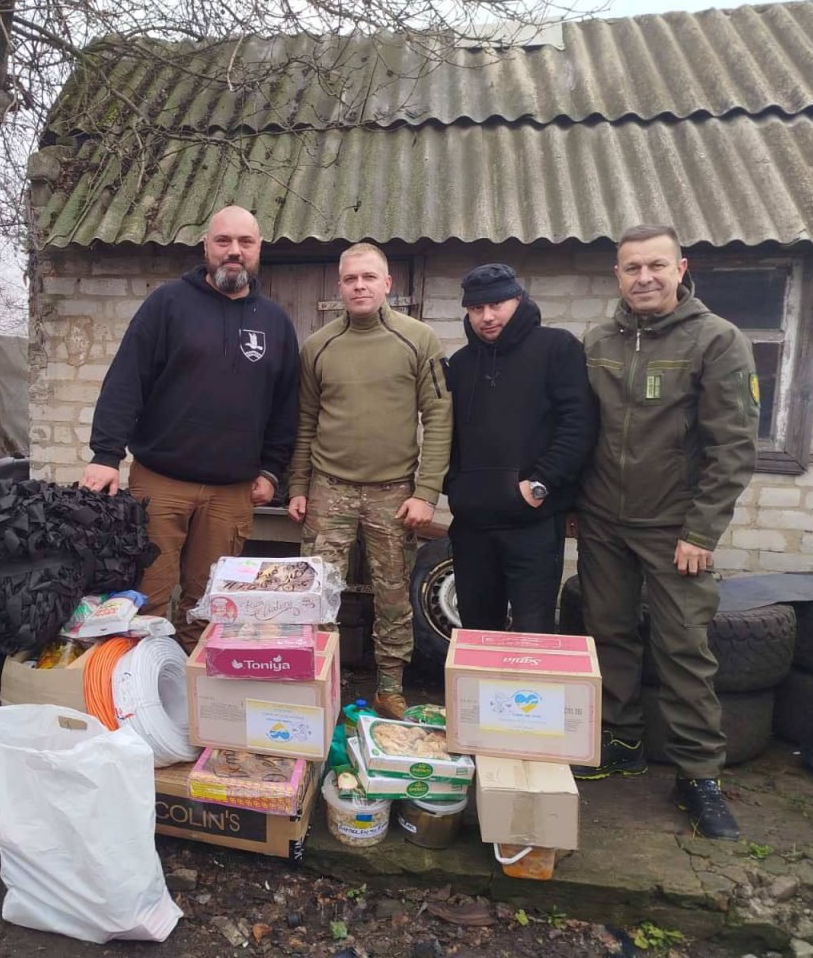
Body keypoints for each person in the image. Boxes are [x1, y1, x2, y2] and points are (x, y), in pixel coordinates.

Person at [572, 224, 759, 842]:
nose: (644, 277)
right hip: (603, 519)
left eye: (656, 265)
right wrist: (573, 504)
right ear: (617, 276)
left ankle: (698, 775)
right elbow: (580, 429)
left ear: (681, 268)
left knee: (682, 646)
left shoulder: (716, 340)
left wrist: (701, 532)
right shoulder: (598, 340)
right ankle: (621, 740)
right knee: (608, 633)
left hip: (675, 526)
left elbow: (733, 448)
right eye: (632, 268)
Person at [80, 205, 300, 650]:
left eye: (245, 242)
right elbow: (126, 381)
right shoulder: (167, 304)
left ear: (258, 249)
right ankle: (139, 686)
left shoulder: (275, 322)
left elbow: (286, 406)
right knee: (146, 600)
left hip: (231, 493)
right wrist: (106, 455)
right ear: (206, 246)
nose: (234, 251)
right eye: (223, 241)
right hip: (161, 484)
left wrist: (271, 470)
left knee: (210, 605)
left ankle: (191, 688)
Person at [286, 242, 452, 719]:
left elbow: (439, 416)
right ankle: (320, 684)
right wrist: (298, 485)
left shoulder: (418, 340)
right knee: (318, 592)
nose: (359, 286)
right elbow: (305, 421)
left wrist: (427, 492)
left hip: (394, 492)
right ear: (339, 286)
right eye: (350, 279)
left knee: (394, 593)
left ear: (387, 284)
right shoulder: (318, 346)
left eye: (368, 277)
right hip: (328, 488)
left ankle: (390, 688)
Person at [444, 264, 596, 634]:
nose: (487, 316)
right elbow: (451, 436)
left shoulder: (557, 348)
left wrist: (540, 485)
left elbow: (579, 425)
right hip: (473, 525)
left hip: (533, 521)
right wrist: (456, 488)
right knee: (477, 631)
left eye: (496, 305)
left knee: (533, 631)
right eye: (476, 308)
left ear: (518, 299)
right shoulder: (461, 364)